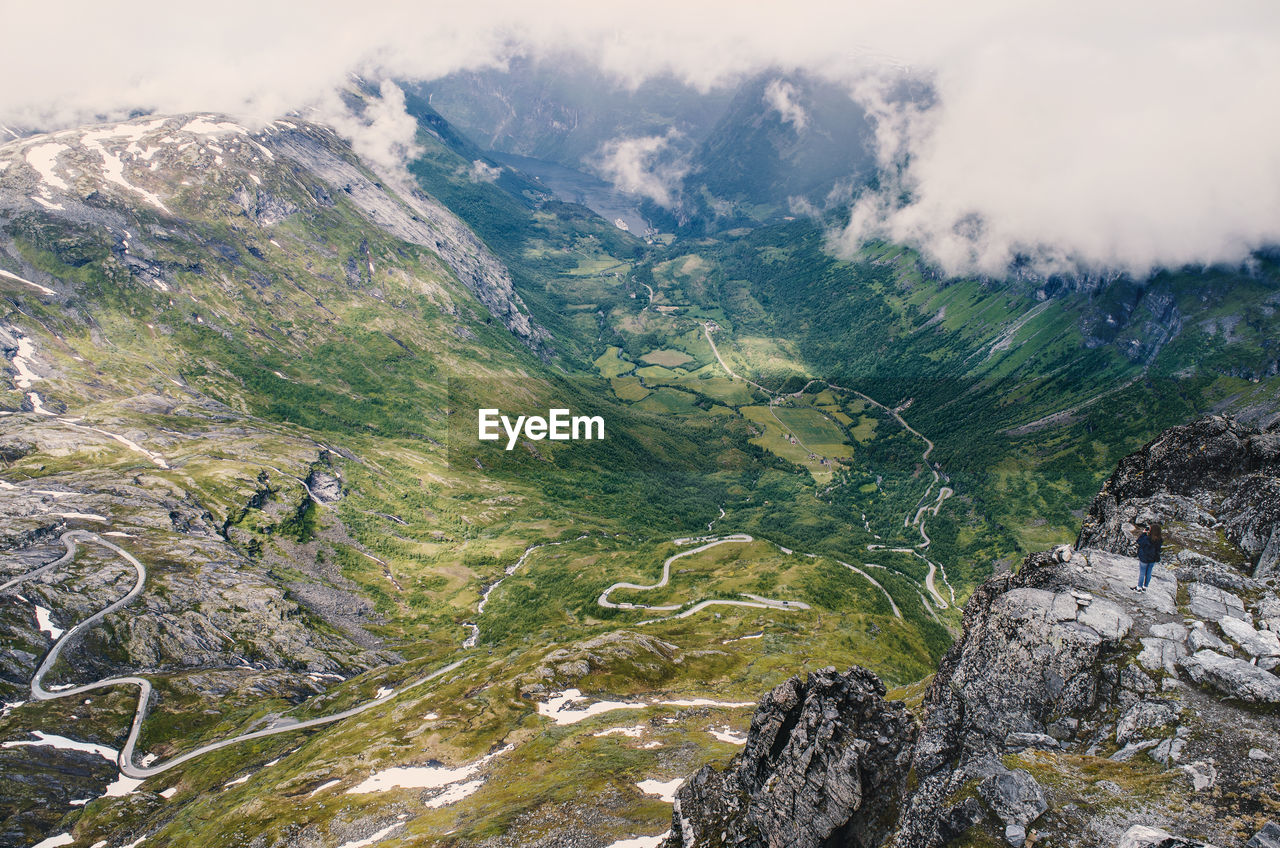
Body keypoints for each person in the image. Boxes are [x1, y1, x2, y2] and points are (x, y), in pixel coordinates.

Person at [1134, 522, 1163, 592]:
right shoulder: (1160, 540)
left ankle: (1139, 587)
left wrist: (1144, 533)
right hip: (1153, 558)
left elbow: (1139, 541)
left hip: (1144, 558)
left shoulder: (1147, 538)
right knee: (1149, 572)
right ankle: (1145, 587)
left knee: (1142, 572)